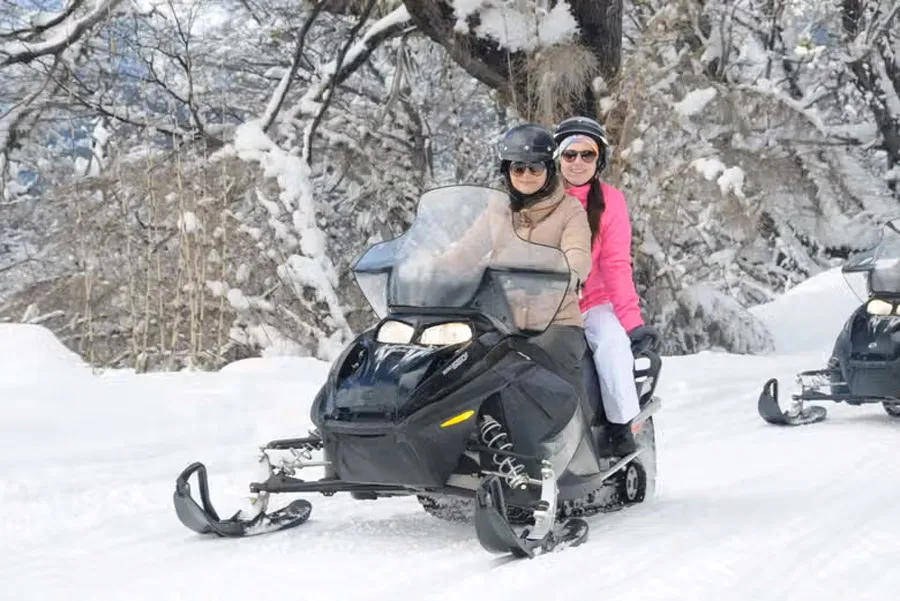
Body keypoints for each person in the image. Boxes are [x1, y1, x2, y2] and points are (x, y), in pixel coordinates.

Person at [552, 116, 659, 457]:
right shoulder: (541, 198)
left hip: (591, 302)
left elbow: (615, 265)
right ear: (557, 158)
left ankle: (619, 426)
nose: (578, 163)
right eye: (570, 155)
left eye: (588, 155)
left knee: (612, 345)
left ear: (600, 160)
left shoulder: (610, 201)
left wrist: (632, 323)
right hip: (543, 304)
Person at [493, 122, 593, 392]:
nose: (526, 175)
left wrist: (570, 273)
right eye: (518, 168)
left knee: (549, 375)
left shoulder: (569, 210)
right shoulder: (497, 211)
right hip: (500, 318)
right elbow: (465, 249)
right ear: (507, 171)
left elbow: (578, 251)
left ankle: (571, 431)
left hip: (555, 321)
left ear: (549, 170)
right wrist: (428, 268)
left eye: (535, 168)